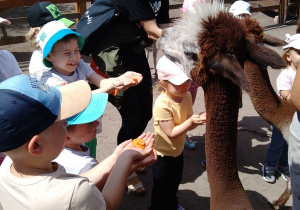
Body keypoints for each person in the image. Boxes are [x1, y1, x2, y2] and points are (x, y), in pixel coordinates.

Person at [0, 74, 157, 209]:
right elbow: (106, 205)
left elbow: (78, 184)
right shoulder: (74, 194)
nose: (66, 124)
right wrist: (125, 161)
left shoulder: (8, 166)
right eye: (61, 122)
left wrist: (116, 158)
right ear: (36, 145)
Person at [78, 0, 164, 195]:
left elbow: (163, 26)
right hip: (111, 55)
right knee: (132, 116)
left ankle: (131, 155)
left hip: (135, 51)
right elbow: (152, 30)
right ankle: (123, 168)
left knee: (145, 113)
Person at [149, 56, 206, 210]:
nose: (186, 84)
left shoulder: (186, 96)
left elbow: (188, 125)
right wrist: (191, 122)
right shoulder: (162, 104)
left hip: (177, 152)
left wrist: (197, 119)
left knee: (174, 182)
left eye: (188, 79)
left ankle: (172, 205)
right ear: (163, 83)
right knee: (161, 188)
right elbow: (171, 132)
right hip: (162, 155)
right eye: (179, 81)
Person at [262, 33, 300, 183]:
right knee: (277, 144)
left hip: (295, 119)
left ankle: (283, 164)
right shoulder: (286, 75)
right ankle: (269, 165)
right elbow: (286, 95)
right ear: (289, 56)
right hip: (282, 118)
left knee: (289, 144)